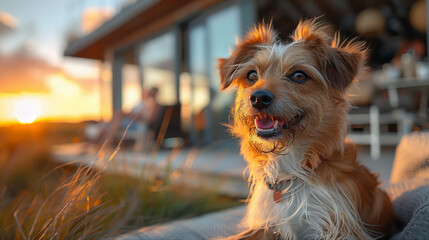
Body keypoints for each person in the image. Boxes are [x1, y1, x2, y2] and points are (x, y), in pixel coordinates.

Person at [93, 87, 160, 150]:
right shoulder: (146, 104)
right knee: (109, 124)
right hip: (132, 122)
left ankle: (102, 144)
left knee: (116, 118)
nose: (149, 95)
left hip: (138, 125)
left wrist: (135, 116)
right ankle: (98, 144)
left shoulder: (155, 106)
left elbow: (150, 120)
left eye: (151, 93)